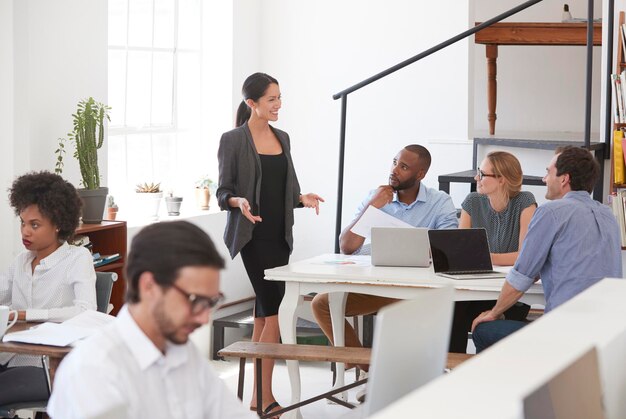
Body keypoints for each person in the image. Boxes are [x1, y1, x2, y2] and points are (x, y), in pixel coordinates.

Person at [48, 221, 255, 419]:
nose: (204, 318)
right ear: (149, 286)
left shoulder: (182, 352)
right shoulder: (94, 371)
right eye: (195, 300)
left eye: (211, 302)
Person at [217, 72, 324, 415]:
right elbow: (223, 192)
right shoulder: (233, 140)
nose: (278, 105)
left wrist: (301, 198)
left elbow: (285, 188)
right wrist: (238, 203)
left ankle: (254, 397)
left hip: (280, 236)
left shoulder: (283, 137)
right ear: (252, 103)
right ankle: (266, 398)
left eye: (280, 98)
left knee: (265, 316)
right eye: (271, 99)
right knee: (277, 313)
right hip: (253, 237)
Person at [311, 144, 458, 369]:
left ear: (420, 174)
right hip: (375, 283)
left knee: (403, 318)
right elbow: (347, 247)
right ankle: (370, 367)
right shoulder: (376, 197)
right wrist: (372, 207)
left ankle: (383, 373)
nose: (394, 170)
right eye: (394, 162)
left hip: (416, 288)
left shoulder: (439, 202)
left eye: (404, 167)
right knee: (322, 303)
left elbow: (448, 249)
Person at [471, 146, 622, 352]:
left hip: (564, 334)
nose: (544, 179)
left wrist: (494, 312)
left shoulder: (551, 213)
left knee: (484, 329)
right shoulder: (608, 216)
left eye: (548, 172)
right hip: (608, 333)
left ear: (564, 179)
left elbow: (522, 276)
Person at [0, 171, 97, 405]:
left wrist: (24, 315)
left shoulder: (77, 258)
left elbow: (86, 310)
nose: (25, 231)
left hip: (48, 365)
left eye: (35, 224)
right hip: (10, 357)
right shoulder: (21, 261)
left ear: (58, 225)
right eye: (23, 222)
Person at [449, 151, 537, 353]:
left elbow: (523, 256)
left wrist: (484, 258)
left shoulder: (525, 202)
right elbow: (462, 251)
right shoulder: (472, 201)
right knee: (451, 308)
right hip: (474, 288)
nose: (476, 178)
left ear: (501, 179)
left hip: (509, 294)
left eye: (481, 174)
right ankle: (452, 370)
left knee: (459, 313)